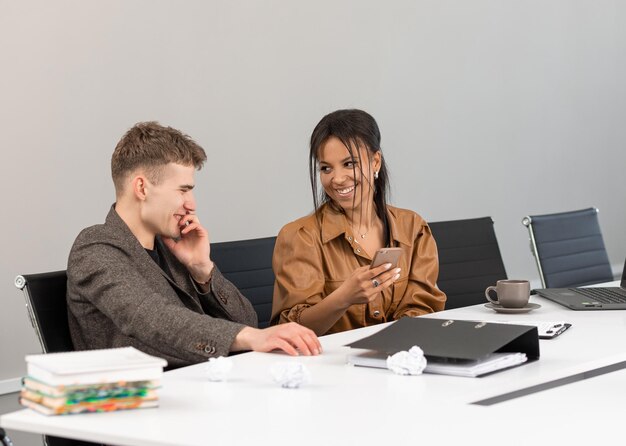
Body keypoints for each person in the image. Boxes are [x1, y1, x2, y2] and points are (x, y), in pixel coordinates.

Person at [67, 122, 320, 369]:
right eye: (183, 190)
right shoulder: (94, 248)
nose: (191, 204)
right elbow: (150, 316)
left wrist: (203, 271)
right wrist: (249, 337)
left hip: (199, 388)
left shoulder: (173, 249)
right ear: (142, 188)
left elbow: (247, 322)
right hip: (139, 401)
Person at [271, 109, 446, 335]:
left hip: (402, 359)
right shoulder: (300, 236)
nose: (337, 179)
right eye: (326, 168)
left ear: (375, 162)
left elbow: (424, 308)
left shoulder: (413, 228)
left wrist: (390, 346)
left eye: (349, 164)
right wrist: (343, 297)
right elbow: (290, 329)